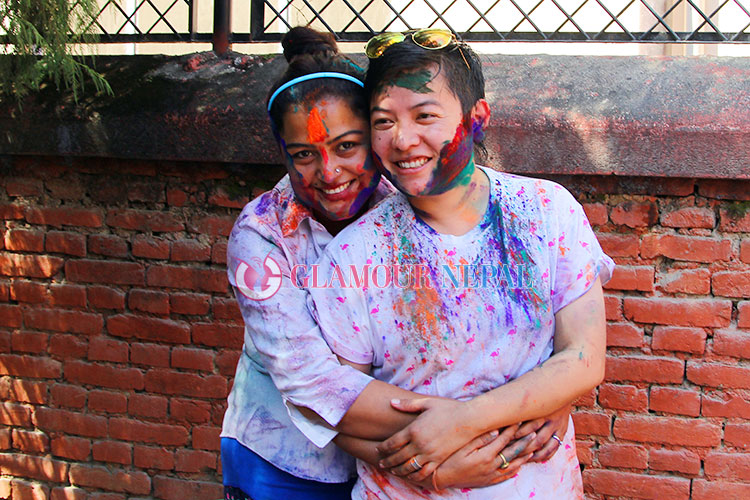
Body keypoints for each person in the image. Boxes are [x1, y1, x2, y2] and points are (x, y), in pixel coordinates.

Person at [222, 26, 571, 500]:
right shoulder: (260, 236)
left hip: (398, 461)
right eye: (303, 155)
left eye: (348, 146)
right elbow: (311, 383)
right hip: (287, 463)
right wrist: (494, 421)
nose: (330, 172)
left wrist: (544, 397)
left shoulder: (408, 197)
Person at [309, 28, 615, 498]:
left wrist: (463, 422)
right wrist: (431, 471)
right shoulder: (353, 255)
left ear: (476, 119)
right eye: (384, 121)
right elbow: (337, 409)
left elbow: (584, 358)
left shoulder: (546, 213)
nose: (403, 139)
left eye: (425, 115)